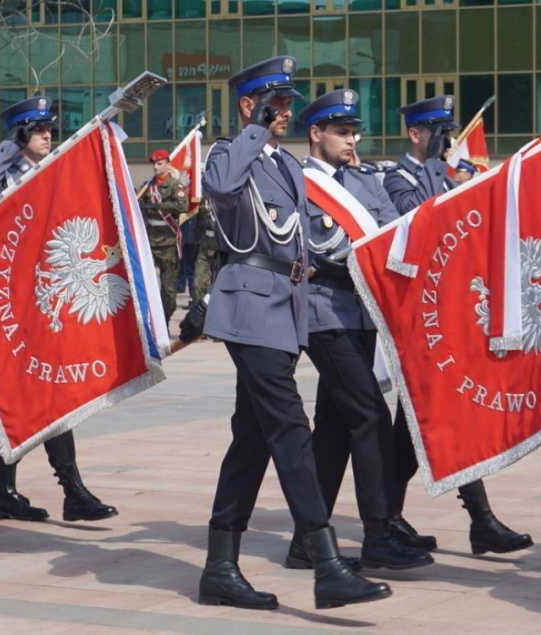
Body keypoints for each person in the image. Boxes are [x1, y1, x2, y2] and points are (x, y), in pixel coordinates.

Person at [194, 56, 391, 611]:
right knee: (290, 430)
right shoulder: (229, 153)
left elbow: (305, 245)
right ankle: (325, 564)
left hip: (286, 310)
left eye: (286, 102)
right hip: (251, 306)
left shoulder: (285, 167)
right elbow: (220, 186)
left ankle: (219, 569)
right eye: (274, 101)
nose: (284, 111)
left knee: (254, 437)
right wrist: (256, 126)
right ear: (248, 105)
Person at [286, 88, 433, 572]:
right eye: (342, 132)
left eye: (355, 132)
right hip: (325, 314)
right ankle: (378, 530)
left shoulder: (366, 180)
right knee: (369, 416)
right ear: (316, 134)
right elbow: (305, 251)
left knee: (333, 430)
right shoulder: (296, 181)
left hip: (365, 313)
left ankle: (308, 540)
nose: (353, 140)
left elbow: (394, 232)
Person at [382, 95, 533, 557]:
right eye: (439, 132)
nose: (448, 141)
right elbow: (422, 220)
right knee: (422, 424)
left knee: (430, 423)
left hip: (444, 321)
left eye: (450, 131)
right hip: (415, 323)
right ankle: (393, 519)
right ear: (416, 134)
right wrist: (436, 166)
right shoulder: (397, 177)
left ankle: (398, 518)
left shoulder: (441, 176)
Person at [0, 96, 118, 524]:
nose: (48, 135)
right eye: (36, 130)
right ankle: (55, 491)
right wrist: (10, 148)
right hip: (14, 305)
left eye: (49, 128)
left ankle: (21, 490)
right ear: (19, 135)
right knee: (22, 396)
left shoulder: (53, 172)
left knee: (47, 393)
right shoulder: (4, 174)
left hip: (46, 302)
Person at [137, 148, 187, 326]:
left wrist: (159, 206)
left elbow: (182, 206)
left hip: (168, 243)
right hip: (149, 242)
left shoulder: (175, 185)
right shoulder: (148, 186)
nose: (156, 167)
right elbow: (137, 204)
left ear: (167, 164)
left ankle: (164, 319)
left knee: (168, 289)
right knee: (146, 285)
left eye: (159, 164)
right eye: (154, 164)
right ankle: (150, 322)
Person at [190, 196, 218, 309]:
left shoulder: (228, 197)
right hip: (205, 246)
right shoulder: (206, 198)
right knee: (198, 284)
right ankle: (198, 314)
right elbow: (199, 221)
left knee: (218, 287)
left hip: (221, 249)